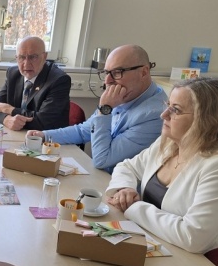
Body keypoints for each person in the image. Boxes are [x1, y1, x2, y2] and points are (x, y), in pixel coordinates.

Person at [105, 78, 218, 254]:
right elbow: (127, 167)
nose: (164, 115)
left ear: (206, 120)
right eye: (167, 105)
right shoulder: (169, 144)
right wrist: (125, 189)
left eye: (175, 110)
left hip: (212, 262)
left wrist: (134, 207)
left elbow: (193, 237)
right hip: (163, 244)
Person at [27, 45, 167, 172]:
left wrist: (105, 109)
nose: (107, 81)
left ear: (144, 72)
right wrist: (45, 135)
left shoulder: (156, 115)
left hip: (119, 187)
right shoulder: (126, 95)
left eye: (117, 72)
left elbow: (102, 160)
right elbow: (83, 131)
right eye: (106, 73)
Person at [0, 36, 70, 132]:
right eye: (22, 57)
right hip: (18, 135)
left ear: (44, 57)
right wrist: (6, 119)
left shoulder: (59, 80)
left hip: (47, 138)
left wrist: (10, 110)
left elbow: (42, 122)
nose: (26, 64)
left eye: (33, 57)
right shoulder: (13, 74)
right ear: (16, 57)